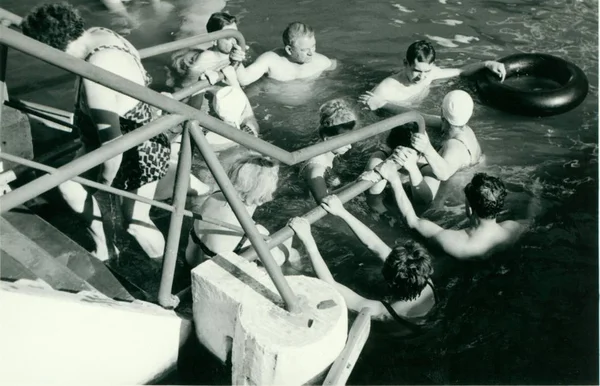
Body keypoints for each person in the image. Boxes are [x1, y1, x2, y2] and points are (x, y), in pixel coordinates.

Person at [21, 3, 180, 261]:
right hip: (142, 130)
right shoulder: (99, 34)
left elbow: (113, 146)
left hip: (138, 152)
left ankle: (164, 268)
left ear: (51, 48)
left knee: (136, 223)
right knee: (68, 184)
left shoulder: (96, 74)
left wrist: (103, 185)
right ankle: (106, 248)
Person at [288, 194, 436, 325]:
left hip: (399, 328)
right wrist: (341, 212)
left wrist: (307, 239)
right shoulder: (423, 276)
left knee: (294, 266)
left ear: (391, 280)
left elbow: (332, 285)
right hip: (418, 313)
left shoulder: (382, 311)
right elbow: (375, 245)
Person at [378, 160, 526, 260]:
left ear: (469, 207)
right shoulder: (513, 230)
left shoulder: (452, 241)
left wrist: (394, 180)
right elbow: (533, 216)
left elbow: (412, 221)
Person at [363, 90, 483, 209]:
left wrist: (427, 149)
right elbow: (418, 117)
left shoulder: (455, 145)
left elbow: (444, 174)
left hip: (457, 191)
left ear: (442, 112)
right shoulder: (459, 128)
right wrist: (383, 104)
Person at [185, 152, 297, 267]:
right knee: (293, 254)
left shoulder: (214, 197)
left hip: (190, 263)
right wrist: (289, 232)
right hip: (215, 277)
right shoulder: (255, 232)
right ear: (264, 195)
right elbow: (280, 259)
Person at [359, 40, 506, 111]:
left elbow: (461, 72)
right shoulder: (385, 89)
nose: (422, 77)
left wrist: (487, 64)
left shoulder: (431, 74)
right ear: (406, 63)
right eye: (417, 71)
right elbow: (362, 115)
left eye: (426, 71)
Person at [230, 21, 336, 86]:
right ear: (289, 50)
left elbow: (337, 71)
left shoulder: (322, 62)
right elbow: (244, 79)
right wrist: (236, 59)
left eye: (313, 46)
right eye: (304, 50)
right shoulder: (271, 60)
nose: (311, 53)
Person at [302, 99, 357, 204]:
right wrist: (357, 183)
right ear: (327, 139)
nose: (350, 146)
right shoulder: (316, 169)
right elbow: (323, 202)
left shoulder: (332, 151)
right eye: (345, 142)